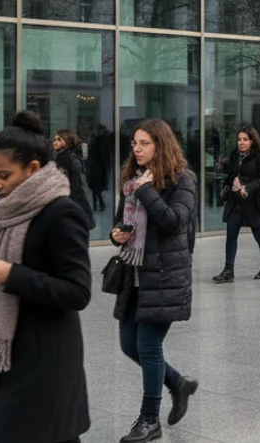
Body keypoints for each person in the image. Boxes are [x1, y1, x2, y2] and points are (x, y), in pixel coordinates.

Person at [0, 111, 92, 443]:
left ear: (34, 170)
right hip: (6, 355)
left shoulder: (61, 213)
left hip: (43, 358)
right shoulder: (4, 210)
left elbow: (78, 292)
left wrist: (10, 274)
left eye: (4, 176)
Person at [110, 119, 199, 442]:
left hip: (164, 277)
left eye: (144, 143)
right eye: (135, 142)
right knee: (128, 345)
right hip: (132, 275)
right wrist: (116, 234)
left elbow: (173, 221)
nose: (137, 148)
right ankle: (177, 383)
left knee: (148, 345)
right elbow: (121, 224)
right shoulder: (131, 182)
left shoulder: (182, 182)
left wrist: (147, 190)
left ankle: (150, 420)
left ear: (161, 146)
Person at [214, 126, 260, 280]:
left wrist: (248, 187)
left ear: (252, 141)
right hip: (236, 201)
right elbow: (232, 173)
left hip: (253, 202)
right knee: (231, 234)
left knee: (258, 233)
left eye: (245, 140)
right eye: (239, 139)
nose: (241, 142)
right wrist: (230, 177)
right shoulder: (235, 154)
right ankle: (228, 270)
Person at [54, 129, 95, 228]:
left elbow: (75, 185)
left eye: (59, 140)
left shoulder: (64, 159)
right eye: (55, 139)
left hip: (69, 200)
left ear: (67, 142)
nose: (55, 142)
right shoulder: (65, 157)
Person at [87, 124, 114, 213]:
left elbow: (94, 152)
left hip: (96, 166)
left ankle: (97, 204)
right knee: (96, 187)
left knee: (95, 187)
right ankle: (98, 203)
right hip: (99, 166)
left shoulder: (97, 140)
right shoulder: (103, 140)